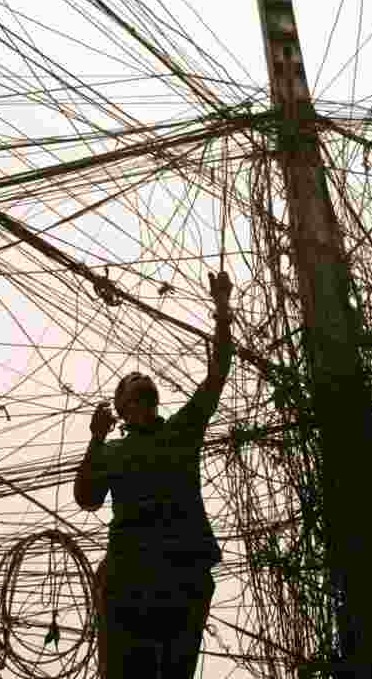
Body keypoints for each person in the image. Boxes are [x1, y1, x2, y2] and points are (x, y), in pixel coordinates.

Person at [75, 271, 234, 679]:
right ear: (123, 408)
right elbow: (88, 499)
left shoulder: (180, 430)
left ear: (151, 400)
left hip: (179, 573)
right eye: (131, 387)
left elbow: (216, 377)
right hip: (131, 576)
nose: (140, 384)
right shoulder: (113, 450)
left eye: (144, 385)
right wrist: (94, 440)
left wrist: (221, 311)